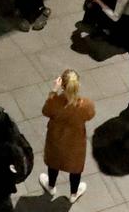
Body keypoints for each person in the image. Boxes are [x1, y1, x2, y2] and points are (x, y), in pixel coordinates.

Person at [39, 69, 96, 203]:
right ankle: (73, 194)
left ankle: (51, 186)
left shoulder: (54, 102)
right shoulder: (86, 105)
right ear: (78, 85)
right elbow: (90, 115)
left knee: (54, 162)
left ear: (62, 85)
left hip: (56, 139)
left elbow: (45, 111)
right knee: (75, 167)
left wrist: (53, 91)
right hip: (75, 142)